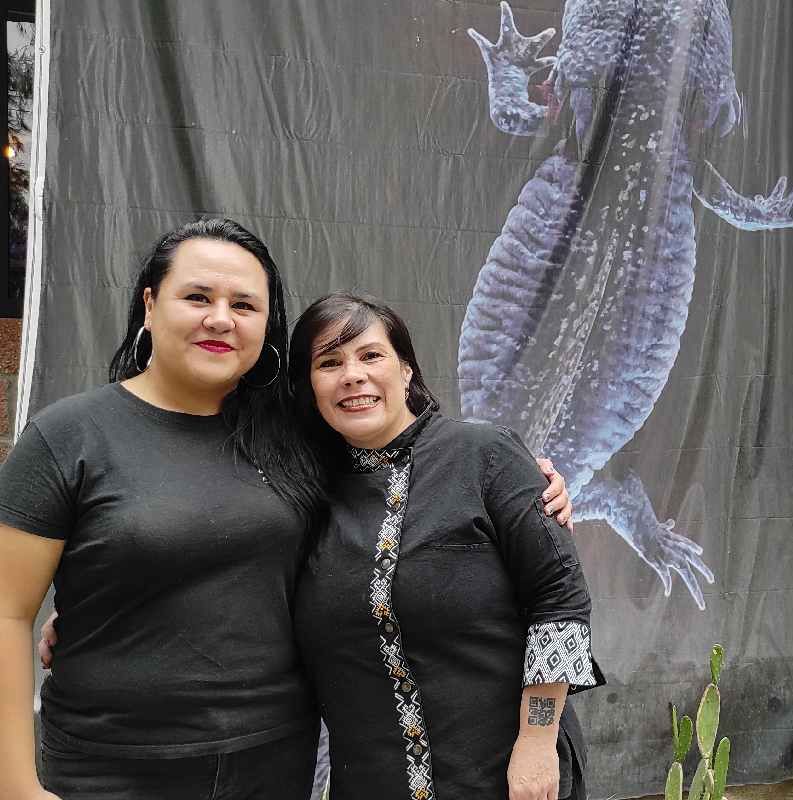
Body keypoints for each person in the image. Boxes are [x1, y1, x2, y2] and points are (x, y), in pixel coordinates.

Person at [0, 219, 573, 800]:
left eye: (244, 304)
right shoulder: (69, 436)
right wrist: (15, 784)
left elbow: (547, 585)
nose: (220, 318)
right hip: (113, 764)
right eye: (197, 296)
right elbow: (6, 609)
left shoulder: (290, 443)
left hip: (273, 759)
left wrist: (534, 486)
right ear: (150, 304)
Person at [288, 292, 602, 800]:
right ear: (310, 386)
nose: (352, 374)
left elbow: (559, 602)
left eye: (370, 356)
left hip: (503, 776)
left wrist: (538, 742)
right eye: (329, 362)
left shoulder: (486, 456)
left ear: (406, 370)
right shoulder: (307, 498)